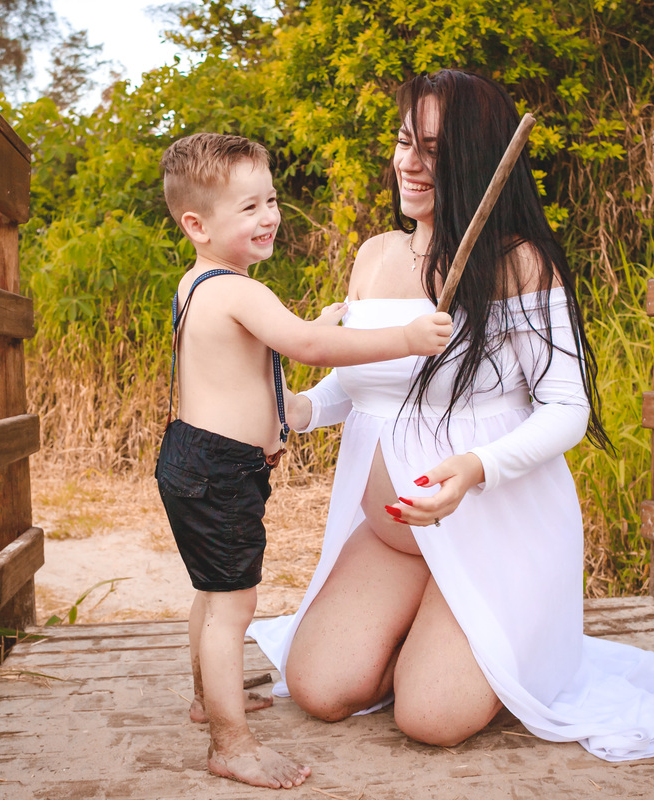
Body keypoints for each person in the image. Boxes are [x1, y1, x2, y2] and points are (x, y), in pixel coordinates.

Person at [249, 70, 654, 760]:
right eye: (404, 142)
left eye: (433, 148)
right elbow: (365, 379)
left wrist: (473, 468)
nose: (408, 162)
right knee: (319, 687)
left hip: (493, 533)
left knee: (430, 717)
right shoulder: (375, 255)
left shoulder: (520, 263)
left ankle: (469, 626)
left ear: (477, 156)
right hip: (397, 537)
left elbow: (566, 410)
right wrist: (297, 412)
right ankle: (420, 615)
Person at [156, 132, 453, 788]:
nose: (268, 217)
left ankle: (208, 700)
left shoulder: (197, 285)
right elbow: (311, 348)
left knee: (212, 592)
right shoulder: (238, 291)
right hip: (219, 468)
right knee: (233, 604)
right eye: (248, 209)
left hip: (197, 459)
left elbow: (258, 359)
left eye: (271, 201)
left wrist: (306, 343)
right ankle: (230, 742)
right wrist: (404, 336)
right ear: (197, 225)